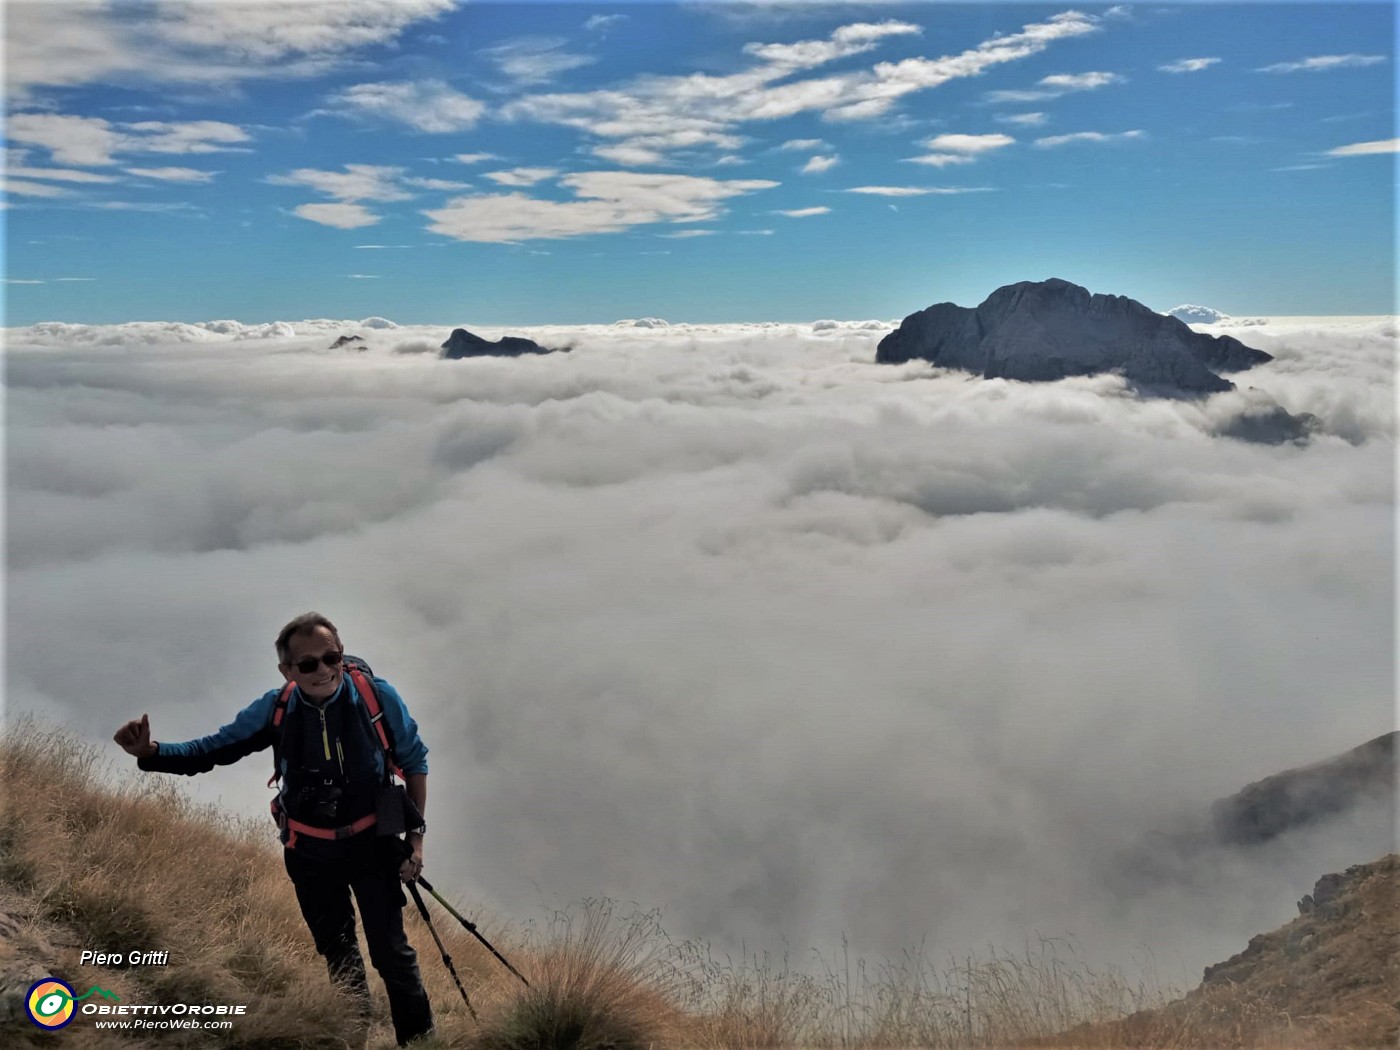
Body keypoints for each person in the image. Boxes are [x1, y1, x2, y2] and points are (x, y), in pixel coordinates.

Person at [114, 613, 434, 1046]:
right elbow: (212, 749)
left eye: (330, 657)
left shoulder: (375, 698)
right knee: (338, 952)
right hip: (308, 853)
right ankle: (351, 1036)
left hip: (373, 846)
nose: (322, 670)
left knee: (392, 955)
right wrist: (151, 752)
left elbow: (413, 762)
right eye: (307, 665)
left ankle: (419, 1042)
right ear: (287, 671)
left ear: (341, 654)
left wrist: (415, 843)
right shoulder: (276, 708)